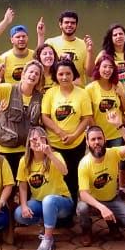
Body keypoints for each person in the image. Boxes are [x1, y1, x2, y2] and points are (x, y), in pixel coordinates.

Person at [76, 112, 125, 244]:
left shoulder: (113, 153)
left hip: (112, 199)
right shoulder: (84, 163)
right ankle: (86, 230)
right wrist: (101, 207)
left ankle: (113, 225)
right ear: (87, 143)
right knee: (82, 207)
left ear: (104, 139)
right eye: (93, 140)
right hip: (92, 202)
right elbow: (83, 194)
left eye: (99, 138)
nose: (97, 142)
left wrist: (119, 126)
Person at [13, 127, 74, 250]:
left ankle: (48, 238)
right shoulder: (24, 161)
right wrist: (24, 205)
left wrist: (49, 154)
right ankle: (46, 223)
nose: (37, 142)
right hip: (39, 202)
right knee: (19, 214)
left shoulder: (55, 155)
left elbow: (65, 171)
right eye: (34, 139)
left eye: (41, 138)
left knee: (49, 200)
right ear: (29, 143)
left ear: (46, 140)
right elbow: (23, 185)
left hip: (62, 201)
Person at [41, 60, 94, 200]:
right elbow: (44, 117)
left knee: (74, 176)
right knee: (55, 175)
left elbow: (86, 117)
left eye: (68, 73)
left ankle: (72, 208)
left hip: (77, 143)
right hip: (54, 144)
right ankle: (56, 207)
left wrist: (74, 136)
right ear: (55, 76)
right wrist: (60, 132)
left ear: (74, 74)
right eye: (61, 74)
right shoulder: (50, 93)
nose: (64, 77)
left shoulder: (82, 93)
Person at [0, 60, 45, 175]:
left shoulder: (41, 98)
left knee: (24, 186)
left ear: (39, 79)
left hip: (27, 151)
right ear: (23, 74)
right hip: (5, 149)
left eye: (37, 74)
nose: (33, 75)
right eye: (31, 72)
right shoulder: (8, 89)